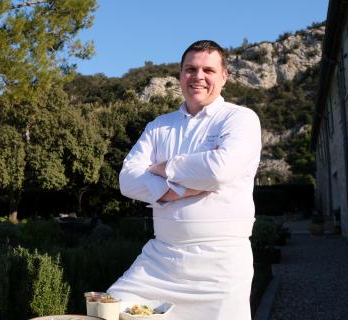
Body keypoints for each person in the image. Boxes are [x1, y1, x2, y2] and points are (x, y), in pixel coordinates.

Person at [107, 40, 261, 320]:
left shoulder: (240, 120)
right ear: (180, 76)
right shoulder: (159, 126)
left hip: (221, 264)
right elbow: (127, 180)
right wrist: (183, 187)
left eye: (208, 70)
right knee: (111, 308)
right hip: (160, 259)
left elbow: (219, 170)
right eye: (190, 69)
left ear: (224, 76)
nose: (198, 77)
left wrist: (164, 167)